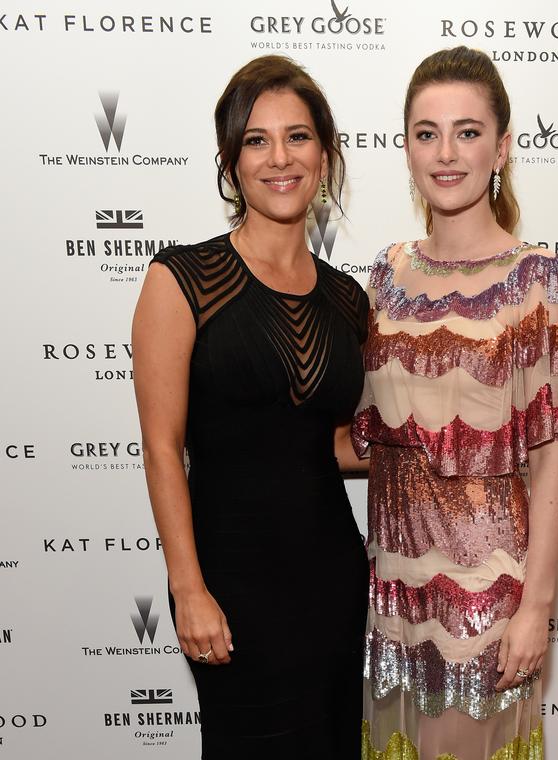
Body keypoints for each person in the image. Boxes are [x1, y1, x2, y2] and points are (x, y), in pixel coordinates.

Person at [352, 46, 558, 760]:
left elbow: (551, 464)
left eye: (467, 132)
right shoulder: (386, 275)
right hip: (394, 597)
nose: (446, 153)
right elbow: (368, 434)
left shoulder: (539, 283)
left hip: (485, 600)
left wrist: (537, 610)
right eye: (426, 132)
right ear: (405, 147)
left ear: (502, 147)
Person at [132, 55, 369, 759]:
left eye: (298, 136)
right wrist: (188, 589)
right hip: (229, 586)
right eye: (256, 140)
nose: (279, 158)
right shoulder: (181, 280)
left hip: (330, 576)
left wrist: (447, 439)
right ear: (230, 160)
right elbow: (160, 446)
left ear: (325, 155)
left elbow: (315, 442)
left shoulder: (347, 300)